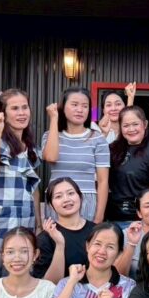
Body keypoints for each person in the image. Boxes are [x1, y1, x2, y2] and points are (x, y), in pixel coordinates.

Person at [41, 87, 110, 223]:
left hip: (86, 200)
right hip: (57, 199)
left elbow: (103, 181)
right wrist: (54, 119)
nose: (80, 110)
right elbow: (51, 157)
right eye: (74, 104)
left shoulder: (98, 139)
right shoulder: (50, 135)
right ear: (63, 107)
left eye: (85, 106)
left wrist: (99, 216)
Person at [0, 88, 41, 237]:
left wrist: (39, 224)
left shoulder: (30, 146)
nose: (21, 113)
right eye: (14, 108)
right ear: (3, 113)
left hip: (26, 220)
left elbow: (34, 189)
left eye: (25, 107)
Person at [105, 106, 149, 228]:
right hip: (112, 219)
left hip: (140, 221)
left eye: (135, 124)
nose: (131, 129)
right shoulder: (112, 149)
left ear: (145, 124)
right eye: (126, 125)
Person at [34, 178, 95, 283]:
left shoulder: (97, 231)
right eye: (58, 196)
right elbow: (47, 284)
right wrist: (59, 245)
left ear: (80, 197)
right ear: (51, 205)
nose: (66, 199)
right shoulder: (46, 238)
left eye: (71, 193)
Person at [113, 188, 149, 278]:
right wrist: (131, 244)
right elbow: (117, 276)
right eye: (147, 206)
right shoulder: (125, 235)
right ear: (139, 213)